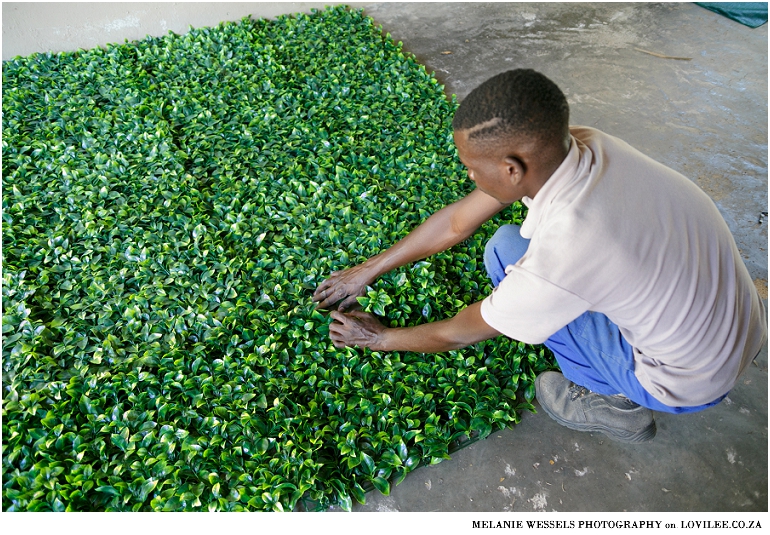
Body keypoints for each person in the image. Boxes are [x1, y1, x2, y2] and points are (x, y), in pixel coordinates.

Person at [311, 69, 767, 443]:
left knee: (507, 263)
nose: (467, 173)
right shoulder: (588, 145)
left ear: (512, 169)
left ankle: (616, 403)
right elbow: (457, 222)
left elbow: (459, 332)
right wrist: (365, 272)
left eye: (471, 166)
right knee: (506, 243)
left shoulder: (570, 249)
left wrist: (378, 338)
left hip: (687, 382)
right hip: (742, 323)